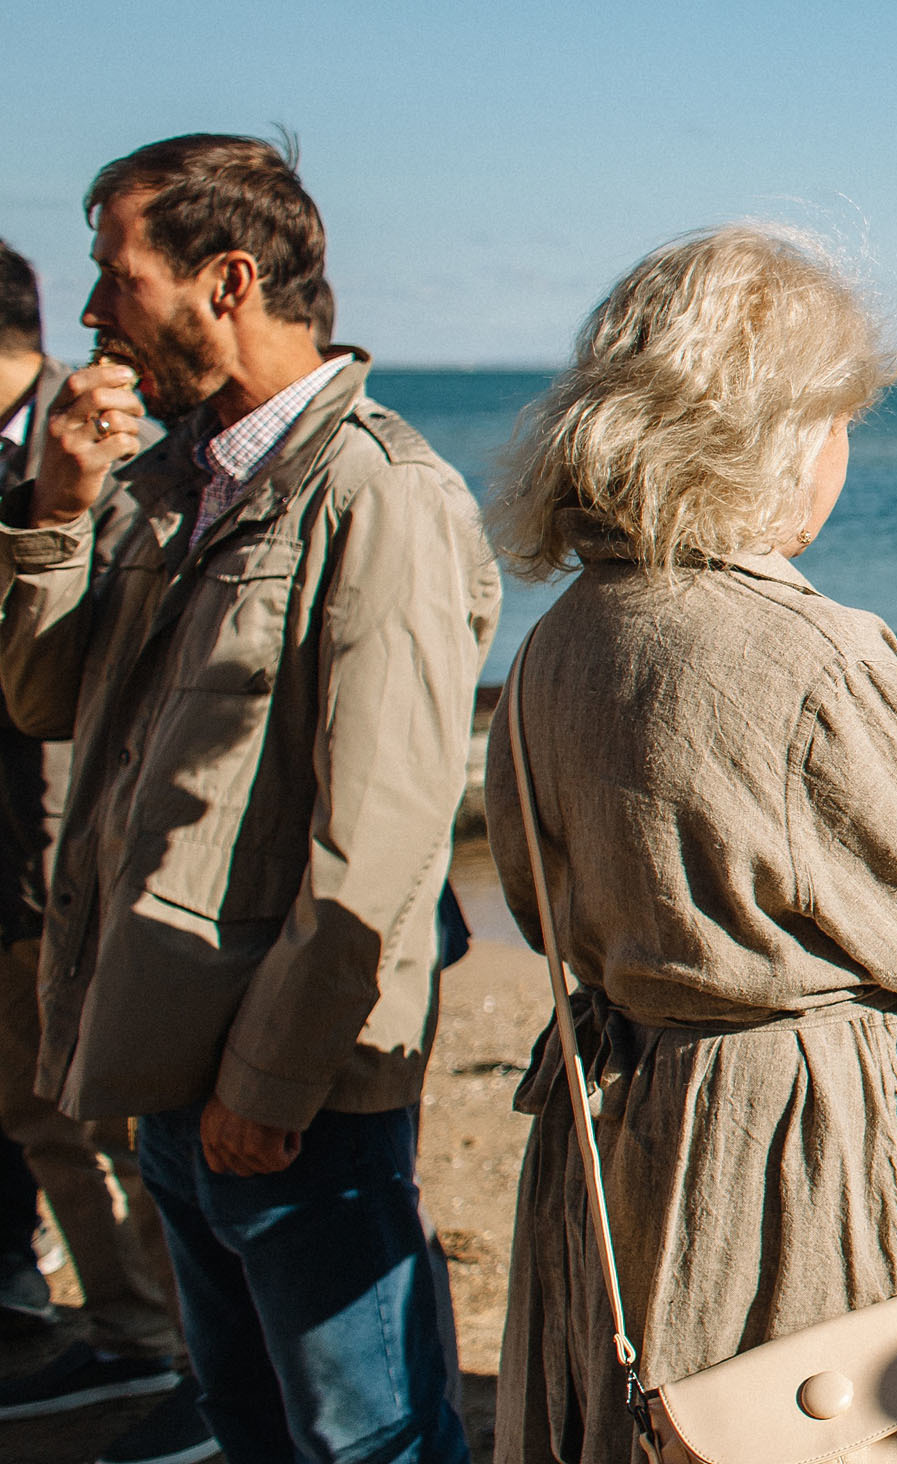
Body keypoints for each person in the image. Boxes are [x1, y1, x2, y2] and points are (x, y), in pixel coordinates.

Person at [483, 223, 897, 1464]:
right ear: (764, 430)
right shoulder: (808, 653)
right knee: (814, 1419)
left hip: (620, 1121)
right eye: (836, 420)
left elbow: (536, 898)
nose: (844, 454)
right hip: (785, 1149)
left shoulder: (558, 641)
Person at [0, 135, 499, 1464]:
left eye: (118, 277)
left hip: (293, 1091)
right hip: (170, 1059)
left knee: (365, 1440)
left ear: (226, 281)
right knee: (248, 1426)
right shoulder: (172, 485)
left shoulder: (379, 496)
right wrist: (58, 505)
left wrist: (272, 1084)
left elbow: (383, 835)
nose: (96, 315)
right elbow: (46, 699)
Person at [0, 239, 199, 1464]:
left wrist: (55, 499)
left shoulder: (97, 431)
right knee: (33, 1102)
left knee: (107, 1107)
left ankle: (178, 1346)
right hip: (18, 832)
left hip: (70, 832)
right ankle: (128, 1328)